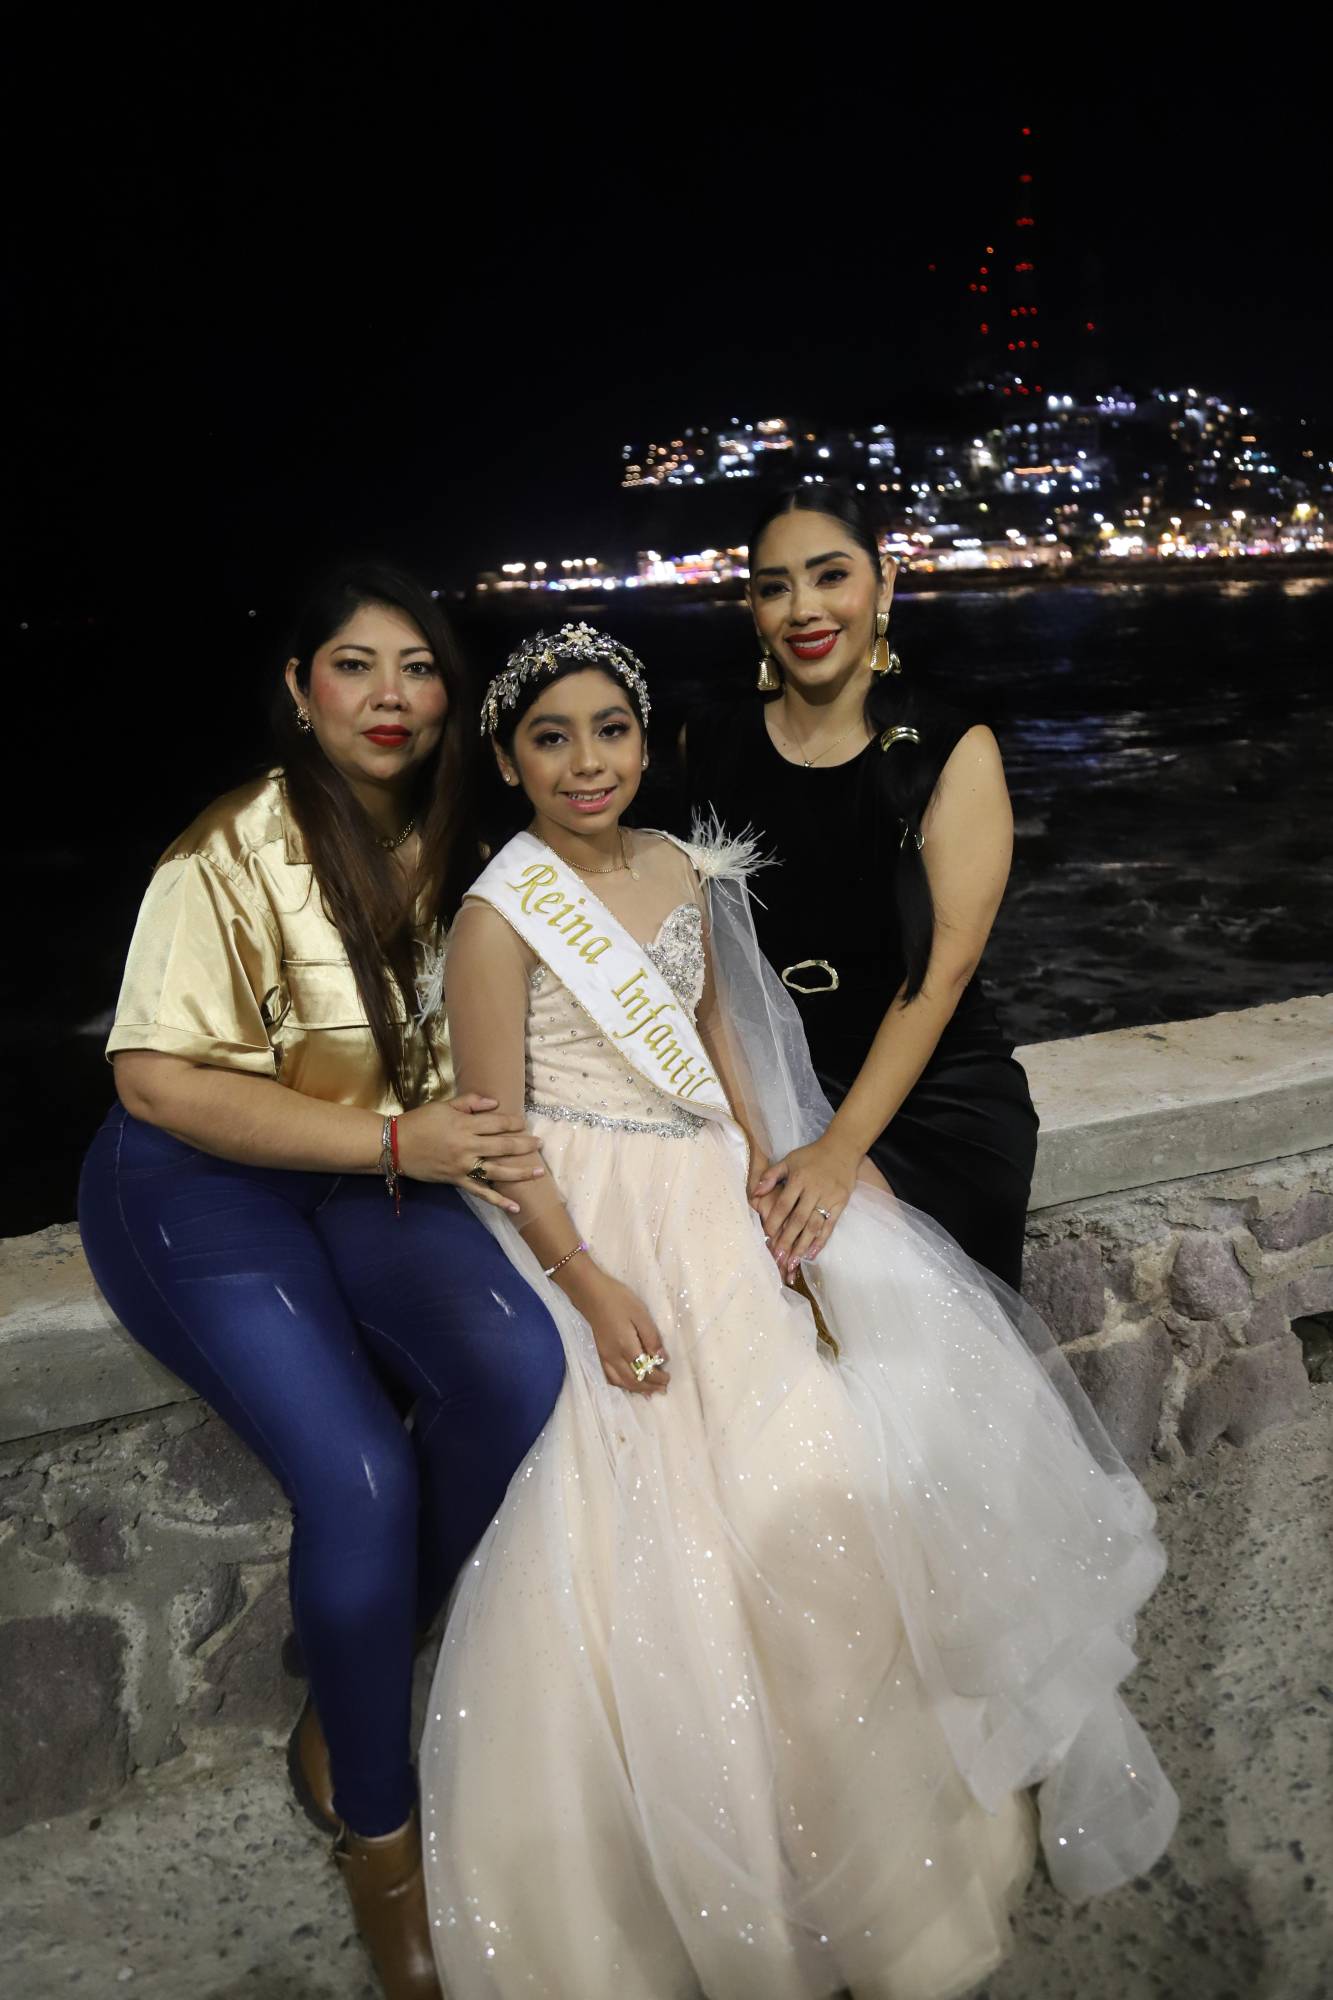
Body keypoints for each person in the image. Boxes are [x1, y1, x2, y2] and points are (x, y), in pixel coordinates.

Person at [419, 621, 1177, 2000]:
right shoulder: (496, 916)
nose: (586, 762)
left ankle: (866, 1850)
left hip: (708, 1190)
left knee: (807, 1478)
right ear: (509, 760)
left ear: (643, 742)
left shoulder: (679, 866)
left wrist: (772, 1167)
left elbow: (718, 1036)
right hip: (585, 1219)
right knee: (643, 1515)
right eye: (551, 738)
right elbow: (495, 1134)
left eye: (610, 731)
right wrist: (587, 1279)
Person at [77, 564, 564, 2000]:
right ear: (301, 688)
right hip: (199, 1182)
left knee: (518, 1371)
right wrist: (402, 1142)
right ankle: (379, 1839)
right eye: (355, 665)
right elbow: (153, 1080)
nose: (389, 695)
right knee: (360, 1475)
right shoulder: (224, 853)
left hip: (367, 1166)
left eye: (417, 667)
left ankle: (343, 1688)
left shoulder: (469, 842)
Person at [684, 483, 1038, 1292]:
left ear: (884, 584)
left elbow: (942, 974)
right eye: (774, 587)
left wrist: (839, 1150)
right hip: (766, 1084)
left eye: (830, 576)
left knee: (841, 1276)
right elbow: (708, 968)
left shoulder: (952, 749)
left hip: (931, 1104)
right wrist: (750, 1137)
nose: (803, 608)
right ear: (752, 608)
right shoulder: (709, 742)